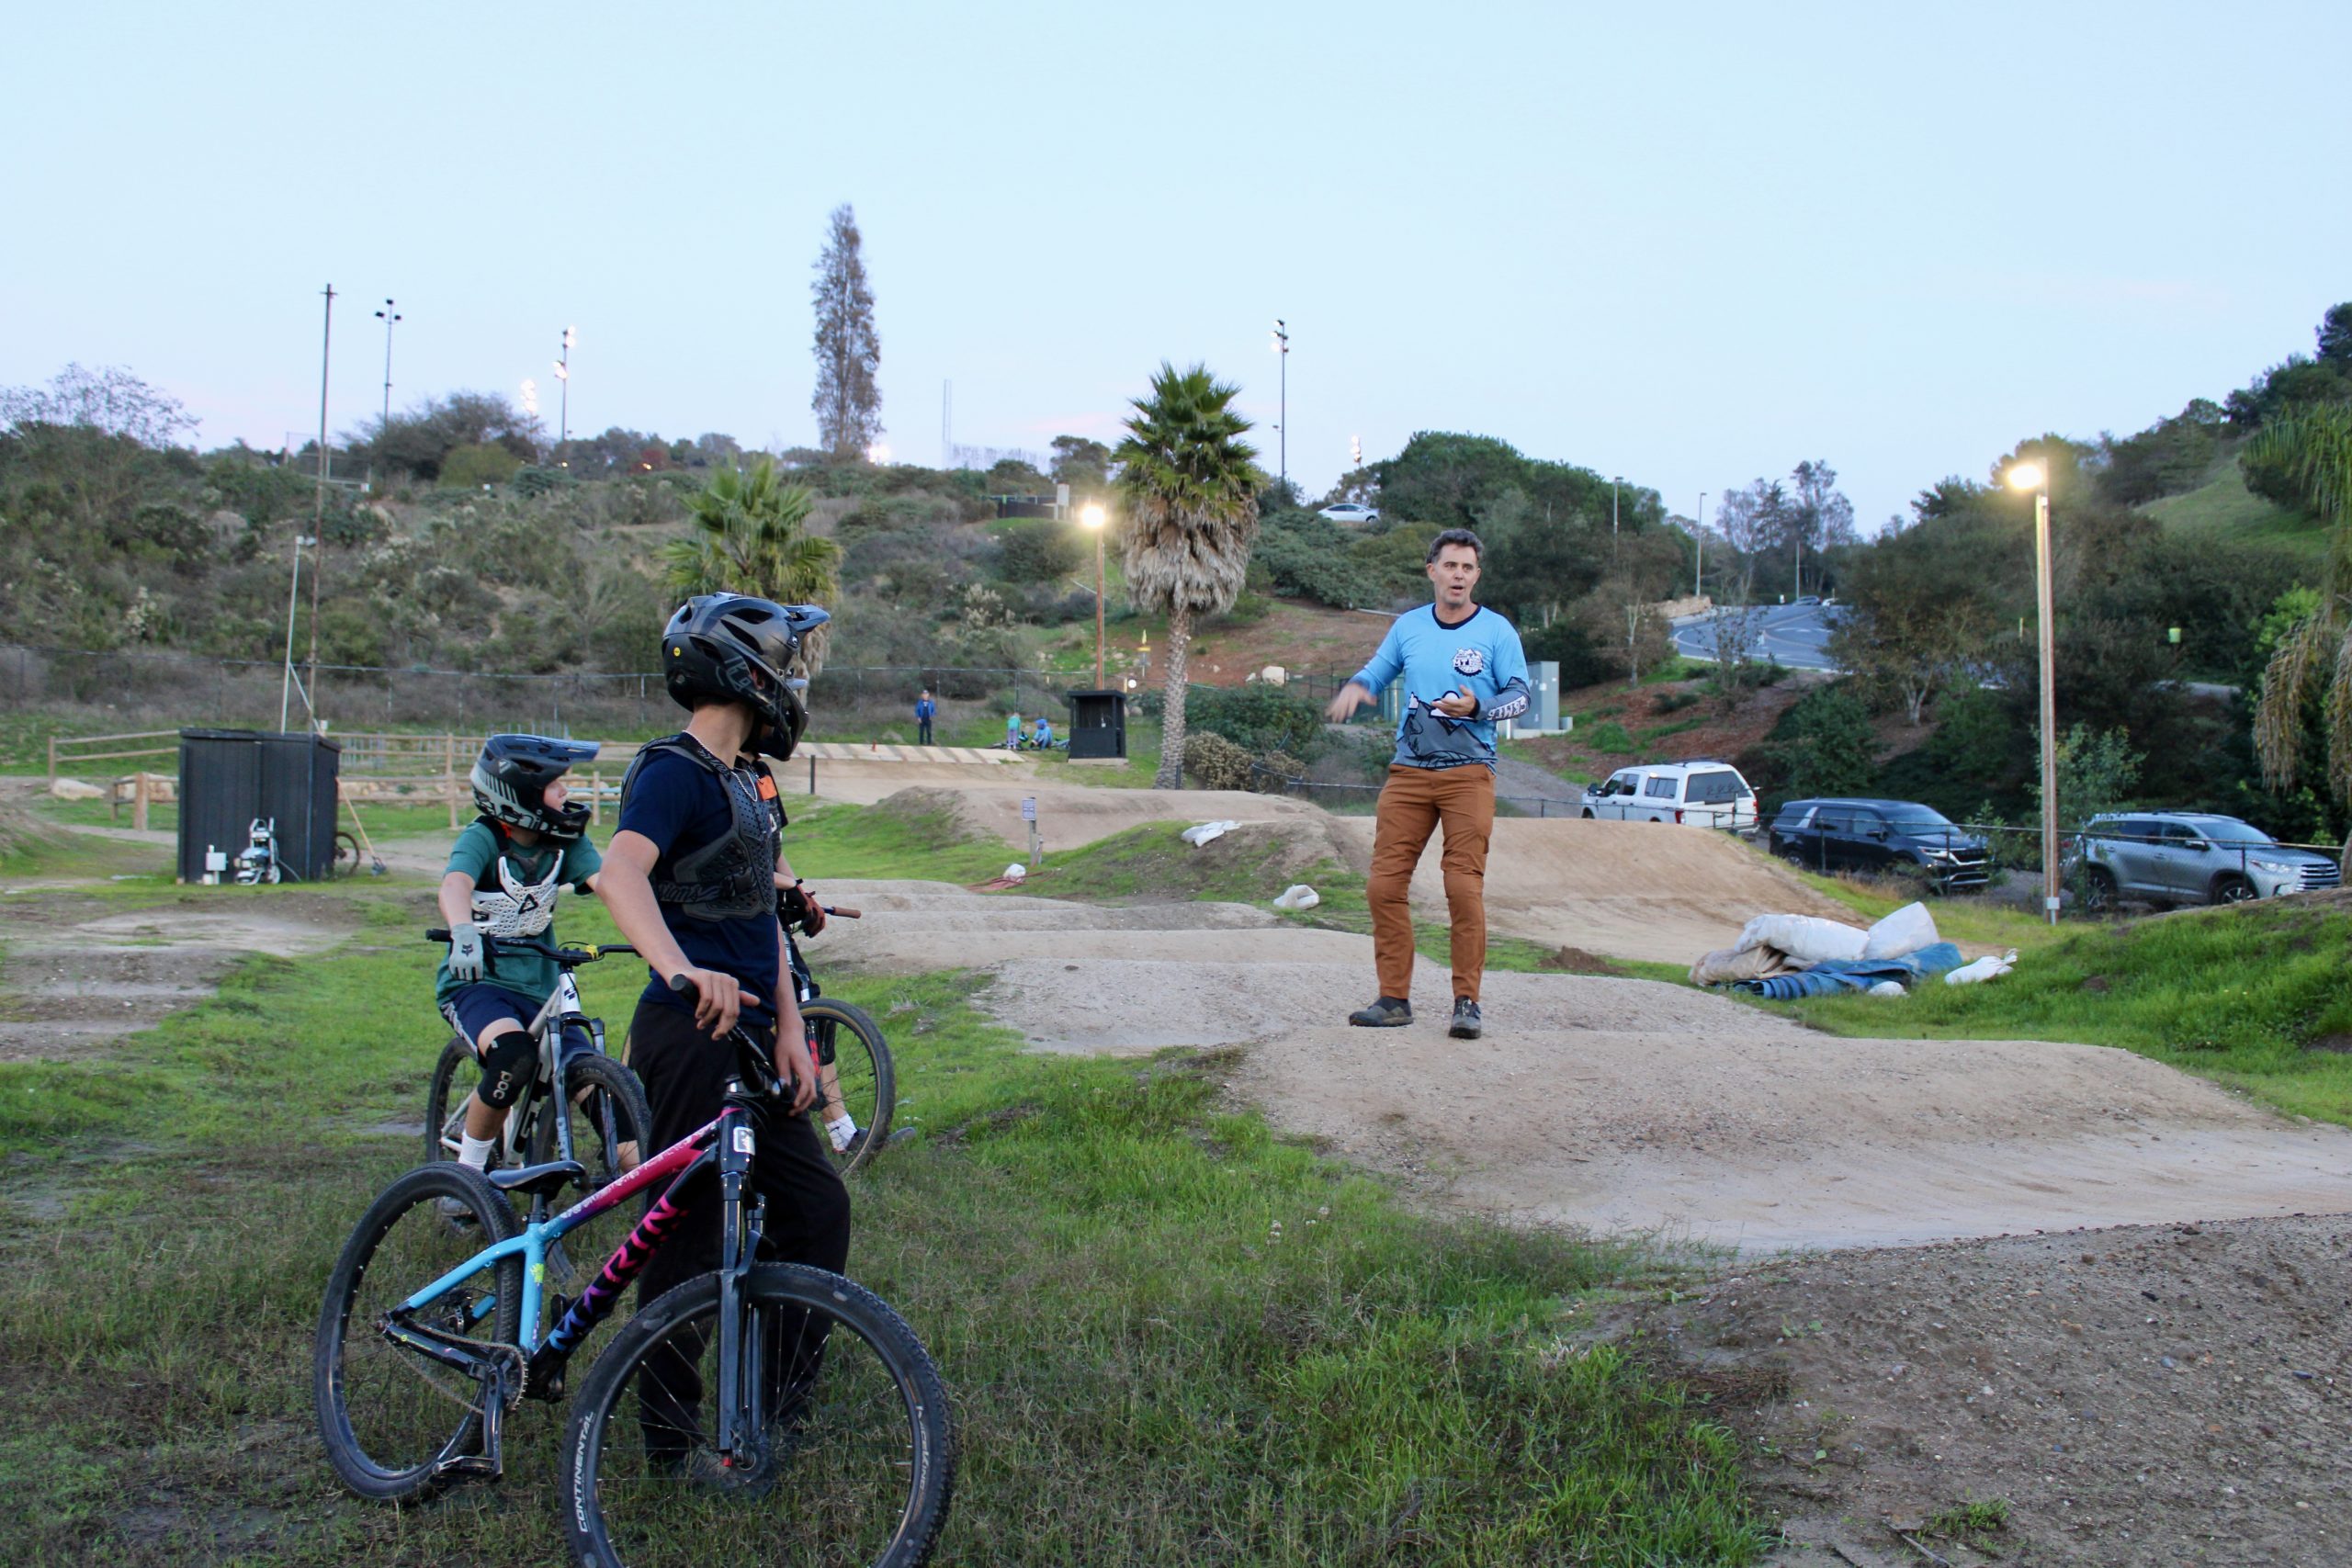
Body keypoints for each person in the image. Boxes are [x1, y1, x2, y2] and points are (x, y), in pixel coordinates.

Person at [596, 593, 850, 1368]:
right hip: (688, 1032)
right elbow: (619, 877)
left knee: (816, 1208)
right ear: (750, 670)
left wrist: (790, 1031)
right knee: (690, 1234)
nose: (794, 681)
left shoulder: (747, 781)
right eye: (787, 663)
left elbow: (759, 916)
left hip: (751, 1032)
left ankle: (773, 1405)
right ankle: (667, 1440)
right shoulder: (671, 772)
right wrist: (679, 970)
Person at [1324, 527, 1528, 1040]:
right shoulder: (1409, 626)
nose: (1459, 575)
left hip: (1469, 774)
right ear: (1432, 570)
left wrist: (1479, 706)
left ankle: (1467, 1003)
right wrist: (1358, 686)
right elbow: (1379, 669)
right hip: (1409, 773)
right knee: (1383, 886)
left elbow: (1522, 696)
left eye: (1468, 568)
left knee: (1462, 885)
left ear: (1476, 575)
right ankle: (1393, 999)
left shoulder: (1498, 631)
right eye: (1450, 565)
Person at [435, 734, 605, 1186]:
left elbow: (609, 884)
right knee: (513, 1056)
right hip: (479, 984)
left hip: (542, 984)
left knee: (590, 1078)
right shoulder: (485, 837)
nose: (566, 794)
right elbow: (455, 885)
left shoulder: (564, 842)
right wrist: (461, 929)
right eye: (556, 786)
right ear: (521, 796)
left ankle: (636, 1173)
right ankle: (467, 1179)